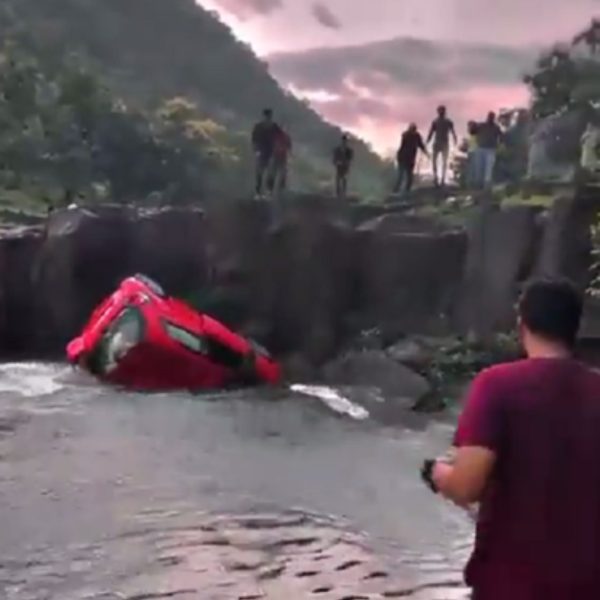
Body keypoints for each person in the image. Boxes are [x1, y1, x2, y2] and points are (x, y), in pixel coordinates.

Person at [422, 278, 600, 600]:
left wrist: (437, 473)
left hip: (511, 585)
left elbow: (465, 487)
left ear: (522, 324)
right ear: (575, 327)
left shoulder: (497, 385)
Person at [427, 105, 457, 187]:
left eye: (442, 111)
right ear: (438, 112)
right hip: (437, 143)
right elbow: (431, 132)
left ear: (444, 112)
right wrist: (428, 140)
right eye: (440, 111)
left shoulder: (448, 122)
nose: (441, 112)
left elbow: (453, 132)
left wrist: (455, 140)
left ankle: (442, 179)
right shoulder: (435, 122)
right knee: (434, 161)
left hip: (444, 143)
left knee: (444, 162)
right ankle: (436, 178)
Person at [394, 123, 429, 195]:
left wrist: (427, 154)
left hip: (409, 158)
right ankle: (397, 191)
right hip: (404, 157)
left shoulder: (415, 136)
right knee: (402, 175)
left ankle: (405, 191)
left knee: (408, 176)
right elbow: (420, 146)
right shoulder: (407, 135)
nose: (413, 131)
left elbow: (421, 145)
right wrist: (426, 153)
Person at [251, 108, 279, 198]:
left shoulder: (274, 127)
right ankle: (258, 192)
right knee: (259, 173)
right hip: (262, 151)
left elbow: (279, 139)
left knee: (270, 173)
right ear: (264, 116)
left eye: (269, 116)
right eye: (267, 116)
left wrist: (277, 150)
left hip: (270, 152)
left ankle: (268, 192)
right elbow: (254, 139)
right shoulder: (259, 126)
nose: (268, 118)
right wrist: (256, 149)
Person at [474, 112, 503, 189]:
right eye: (490, 117)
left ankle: (486, 184)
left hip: (490, 149)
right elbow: (472, 132)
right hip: (481, 148)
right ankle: (479, 184)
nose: (490, 118)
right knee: (480, 167)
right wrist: (473, 126)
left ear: (493, 118)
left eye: (492, 117)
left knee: (488, 168)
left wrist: (498, 145)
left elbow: (501, 137)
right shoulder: (481, 125)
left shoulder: (496, 127)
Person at [268, 124, 292, 195]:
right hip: (275, 156)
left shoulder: (287, 137)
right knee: (273, 173)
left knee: (283, 173)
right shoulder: (276, 136)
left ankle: (281, 189)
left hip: (283, 157)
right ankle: (270, 189)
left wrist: (290, 155)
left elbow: (289, 147)